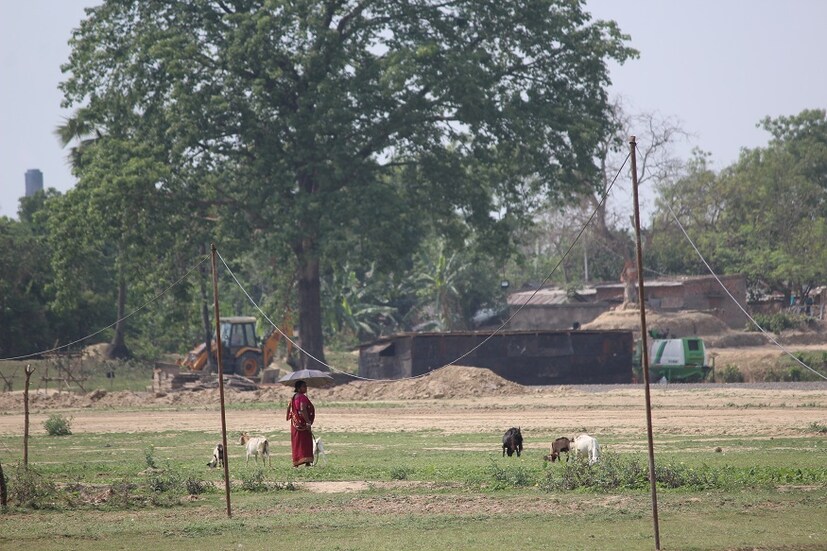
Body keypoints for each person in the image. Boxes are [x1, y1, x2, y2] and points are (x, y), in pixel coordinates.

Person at [286, 380, 315, 467]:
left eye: (306, 386)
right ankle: (307, 461)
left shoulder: (294, 397)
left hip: (295, 424)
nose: (306, 388)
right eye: (303, 386)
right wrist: (307, 422)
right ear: (298, 388)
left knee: (297, 442)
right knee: (305, 442)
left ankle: (297, 462)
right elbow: (302, 409)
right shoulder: (301, 397)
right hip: (302, 424)